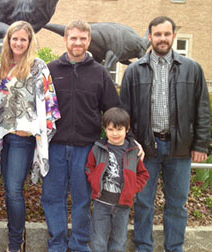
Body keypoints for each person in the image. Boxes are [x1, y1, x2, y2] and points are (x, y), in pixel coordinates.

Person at [120, 16, 211, 252]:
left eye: (166, 34)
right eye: (157, 34)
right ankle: (144, 247)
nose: (162, 38)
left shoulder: (192, 69)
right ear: (149, 37)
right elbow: (124, 114)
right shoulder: (134, 71)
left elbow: (202, 110)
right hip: (145, 149)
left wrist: (201, 145)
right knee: (143, 203)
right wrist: (130, 144)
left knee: (177, 205)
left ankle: (175, 248)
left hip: (179, 148)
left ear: (173, 36)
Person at [42, 20, 122, 252]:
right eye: (73, 38)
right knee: (52, 197)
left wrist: (126, 139)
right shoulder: (50, 70)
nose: (78, 43)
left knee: (82, 199)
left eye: (82, 39)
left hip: (86, 148)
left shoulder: (100, 73)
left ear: (89, 41)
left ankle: (78, 245)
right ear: (65, 39)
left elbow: (112, 109)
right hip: (54, 146)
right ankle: (57, 244)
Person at [0, 20, 60, 252]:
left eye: (23, 39)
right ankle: (15, 233)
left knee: (14, 190)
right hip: (3, 137)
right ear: (9, 40)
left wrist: (34, 129)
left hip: (22, 140)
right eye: (15, 38)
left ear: (30, 41)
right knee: (9, 189)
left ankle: (15, 244)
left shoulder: (38, 66)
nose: (19, 43)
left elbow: (49, 102)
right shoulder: (2, 65)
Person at [85, 107, 149, 252]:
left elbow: (143, 174)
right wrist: (95, 181)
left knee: (119, 240)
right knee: (99, 239)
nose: (115, 134)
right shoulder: (98, 148)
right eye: (110, 129)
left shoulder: (133, 152)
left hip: (123, 204)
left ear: (127, 129)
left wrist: (133, 188)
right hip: (102, 203)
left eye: (119, 129)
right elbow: (89, 167)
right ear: (105, 129)